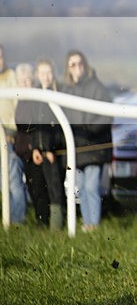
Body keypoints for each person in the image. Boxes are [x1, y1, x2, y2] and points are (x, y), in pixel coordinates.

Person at [61, 50, 113, 233]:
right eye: (72, 64)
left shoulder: (97, 88)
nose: (77, 68)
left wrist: (89, 132)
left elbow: (106, 116)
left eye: (80, 63)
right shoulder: (66, 90)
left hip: (94, 146)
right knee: (81, 188)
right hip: (75, 148)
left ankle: (94, 224)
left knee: (91, 186)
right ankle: (86, 224)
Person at [15, 59, 66, 230]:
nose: (46, 76)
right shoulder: (32, 98)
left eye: (49, 72)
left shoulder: (59, 94)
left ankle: (56, 227)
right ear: (38, 75)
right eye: (42, 73)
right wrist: (37, 148)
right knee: (38, 189)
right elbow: (31, 127)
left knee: (55, 189)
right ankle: (42, 226)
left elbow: (60, 127)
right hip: (37, 150)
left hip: (54, 151)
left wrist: (51, 148)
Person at [0, 45, 28, 224]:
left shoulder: (11, 77)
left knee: (13, 181)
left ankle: (17, 220)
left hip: (8, 137)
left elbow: (18, 106)